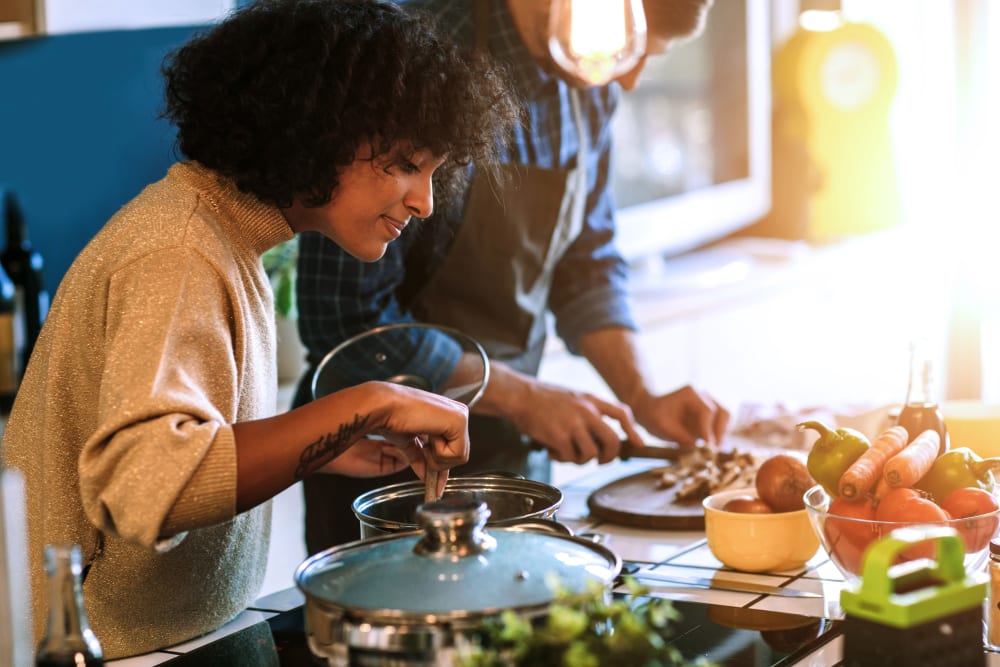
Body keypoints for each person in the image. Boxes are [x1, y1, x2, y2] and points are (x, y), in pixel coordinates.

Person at [0, 0, 519, 658]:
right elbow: (146, 485)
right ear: (323, 129)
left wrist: (324, 443)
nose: (426, 201)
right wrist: (369, 401)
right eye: (408, 163)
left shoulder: (225, 237)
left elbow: (192, 443)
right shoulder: (179, 249)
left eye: (436, 173)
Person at [293, 0, 732, 554]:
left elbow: (586, 263)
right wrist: (524, 398)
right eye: (633, 45)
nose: (633, 75)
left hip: (510, 459)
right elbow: (350, 325)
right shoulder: (412, 54)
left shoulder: (589, 83)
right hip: (384, 471)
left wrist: (643, 395)